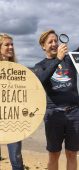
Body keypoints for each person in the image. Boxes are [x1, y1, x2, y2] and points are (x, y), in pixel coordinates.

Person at [33, 15, 79, 170]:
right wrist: (57, 59)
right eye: (50, 42)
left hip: (74, 113)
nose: (54, 43)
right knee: (54, 155)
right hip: (53, 114)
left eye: (56, 40)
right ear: (43, 46)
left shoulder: (69, 59)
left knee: (71, 154)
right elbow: (41, 81)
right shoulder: (39, 65)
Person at [0, 33, 24, 170]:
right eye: (7, 44)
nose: (11, 47)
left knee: (16, 158)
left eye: (12, 44)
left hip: (13, 119)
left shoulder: (17, 69)